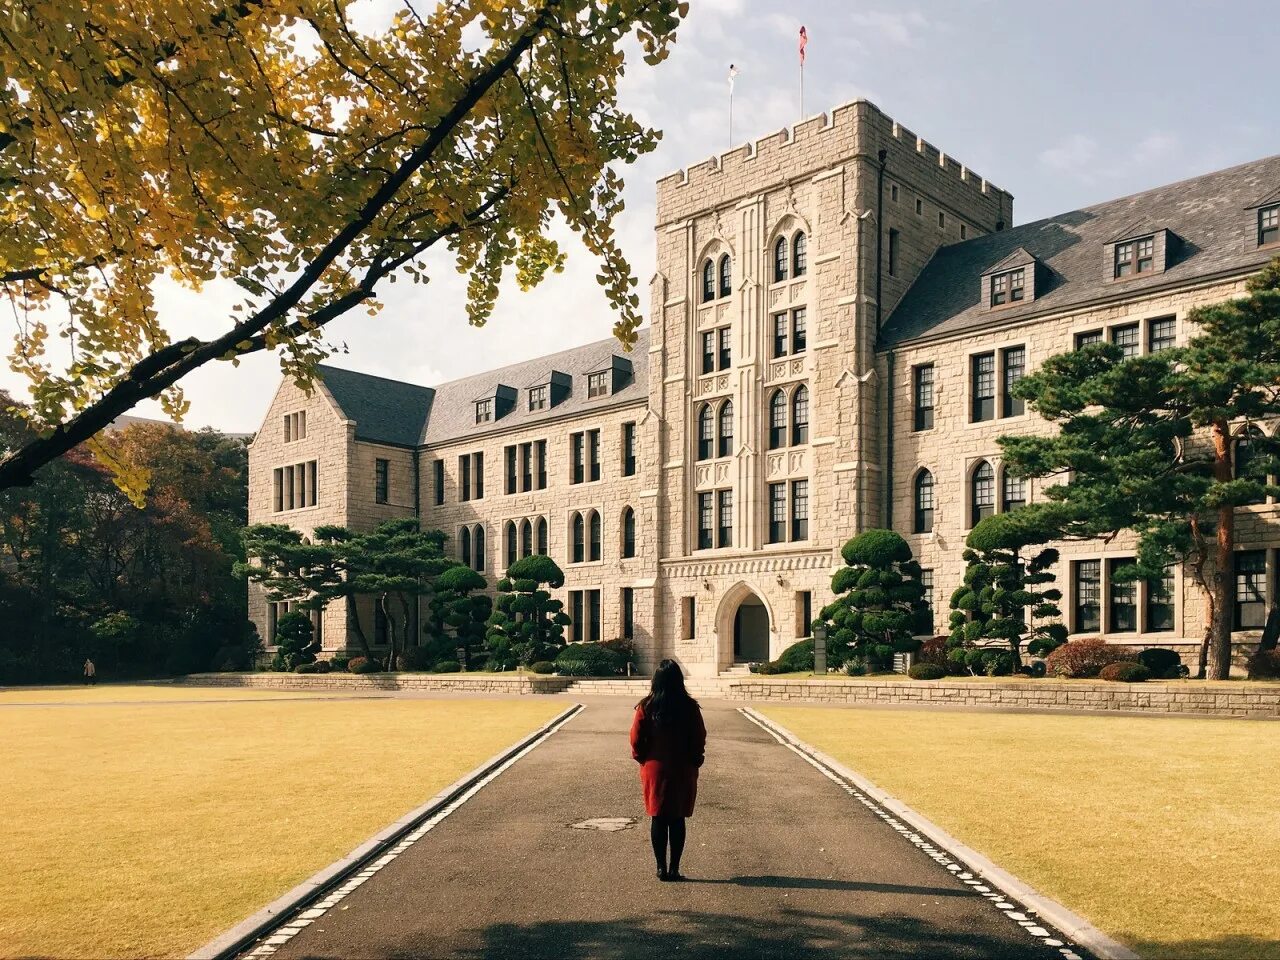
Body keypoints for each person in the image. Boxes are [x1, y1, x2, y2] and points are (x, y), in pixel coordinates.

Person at [629, 659, 707, 881]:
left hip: (655, 768)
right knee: (677, 817)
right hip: (683, 767)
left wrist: (642, 757)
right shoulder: (690, 707)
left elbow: (635, 738)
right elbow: (699, 736)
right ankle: (674, 867)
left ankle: (661, 867)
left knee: (658, 816)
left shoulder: (646, 707)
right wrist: (696, 758)